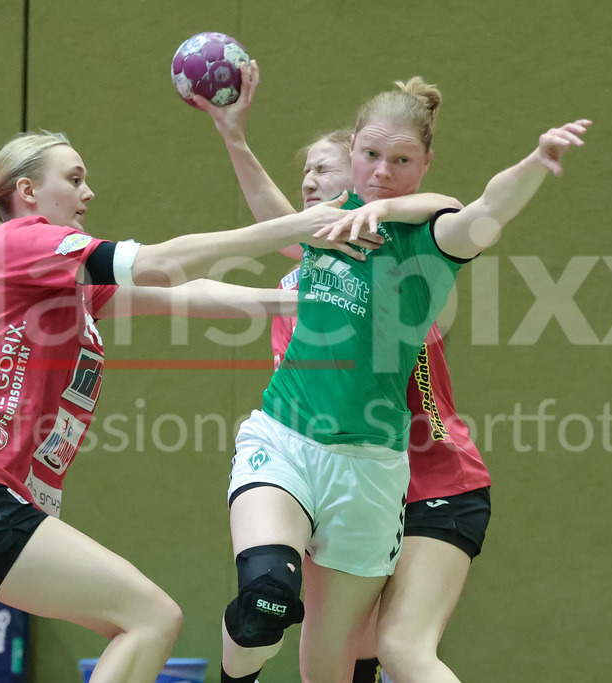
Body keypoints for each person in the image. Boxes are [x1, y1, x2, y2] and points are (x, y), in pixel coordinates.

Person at [0, 130, 384, 683]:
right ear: (28, 191)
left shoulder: (56, 279)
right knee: (150, 618)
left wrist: (304, 300)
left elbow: (185, 295)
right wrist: (296, 226)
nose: (88, 193)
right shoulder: (22, 240)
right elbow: (160, 263)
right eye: (74, 179)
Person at [193, 65, 590, 683]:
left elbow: (484, 208)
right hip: (285, 439)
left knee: (350, 660)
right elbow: (270, 218)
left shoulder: (431, 242)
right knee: (266, 597)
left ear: (425, 163)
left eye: (401, 160)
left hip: (377, 469)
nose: (381, 170)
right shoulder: (327, 226)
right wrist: (234, 137)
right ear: (354, 148)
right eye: (371, 155)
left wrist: (536, 162)